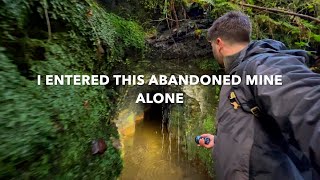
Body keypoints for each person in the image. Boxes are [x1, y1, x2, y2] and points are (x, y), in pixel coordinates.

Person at [198, 11, 320, 180]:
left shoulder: (262, 65)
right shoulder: (239, 75)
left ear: (219, 43)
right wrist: (220, 142)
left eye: (211, 45)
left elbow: (311, 103)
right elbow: (256, 137)